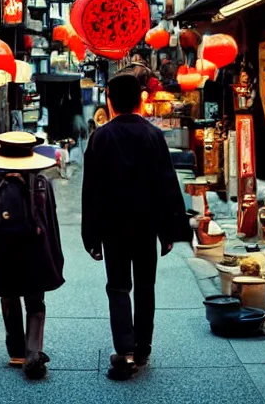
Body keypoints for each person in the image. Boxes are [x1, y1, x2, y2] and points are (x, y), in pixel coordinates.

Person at [82, 70, 189, 380]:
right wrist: (170, 231)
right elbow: (168, 184)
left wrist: (91, 236)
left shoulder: (100, 137)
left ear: (111, 101)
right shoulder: (153, 136)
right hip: (147, 225)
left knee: (118, 286)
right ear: (140, 102)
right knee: (145, 286)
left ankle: (125, 349)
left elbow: (91, 191)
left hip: (113, 228)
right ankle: (143, 349)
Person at [0, 132, 64, 380]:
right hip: (35, 251)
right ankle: (34, 352)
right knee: (35, 303)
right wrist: (55, 258)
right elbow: (51, 225)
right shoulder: (42, 185)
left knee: (9, 296)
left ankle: (16, 351)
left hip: (2, 252)